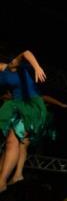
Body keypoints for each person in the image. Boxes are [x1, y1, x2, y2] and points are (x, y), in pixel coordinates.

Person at [0, 50, 47, 193]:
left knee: (14, 141)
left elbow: (25, 53)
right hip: (16, 106)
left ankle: (2, 182)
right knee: (10, 143)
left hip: (30, 105)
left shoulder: (11, 66)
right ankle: (11, 176)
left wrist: (37, 67)